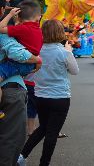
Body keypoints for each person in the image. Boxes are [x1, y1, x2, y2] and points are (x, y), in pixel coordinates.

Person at [18, 19, 79, 166]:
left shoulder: (36, 51)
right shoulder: (64, 53)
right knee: (52, 132)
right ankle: (44, 163)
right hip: (60, 97)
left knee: (43, 128)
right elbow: (75, 71)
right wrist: (69, 52)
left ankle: (21, 156)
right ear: (60, 33)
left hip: (40, 95)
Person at [0, 18, 42, 165]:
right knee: (11, 140)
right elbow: (16, 52)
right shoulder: (4, 34)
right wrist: (37, 59)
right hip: (11, 90)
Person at [0, 1, 43, 119]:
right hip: (29, 65)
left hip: (19, 63)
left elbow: (0, 28)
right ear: (39, 17)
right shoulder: (38, 30)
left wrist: (9, 15)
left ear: (18, 16)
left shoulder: (22, 29)